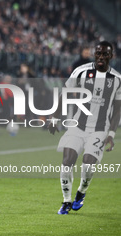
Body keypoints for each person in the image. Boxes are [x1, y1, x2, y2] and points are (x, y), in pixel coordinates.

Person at [48, 41, 121, 215]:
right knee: (67, 163)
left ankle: (81, 192)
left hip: (99, 129)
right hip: (78, 125)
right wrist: (54, 117)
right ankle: (66, 201)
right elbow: (64, 93)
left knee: (88, 164)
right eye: (98, 53)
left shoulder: (117, 80)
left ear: (111, 56)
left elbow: (118, 109)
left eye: (104, 54)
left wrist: (111, 133)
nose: (101, 57)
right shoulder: (81, 71)